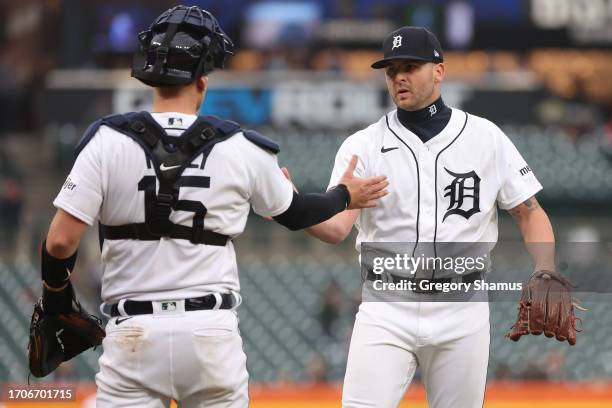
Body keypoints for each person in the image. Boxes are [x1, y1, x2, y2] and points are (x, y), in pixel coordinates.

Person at [40, 6, 388, 407]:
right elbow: (299, 215)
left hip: (132, 333)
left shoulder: (105, 140)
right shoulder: (241, 147)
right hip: (210, 334)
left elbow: (61, 242)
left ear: (150, 76)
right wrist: (345, 195)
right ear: (202, 82)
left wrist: (55, 301)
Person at [301, 26, 556, 407]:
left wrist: (545, 267)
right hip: (385, 304)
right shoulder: (363, 146)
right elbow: (336, 228)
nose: (399, 76)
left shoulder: (485, 137)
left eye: (410, 66)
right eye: (391, 70)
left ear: (439, 71)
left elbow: (528, 210)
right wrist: (289, 207)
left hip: (462, 305)